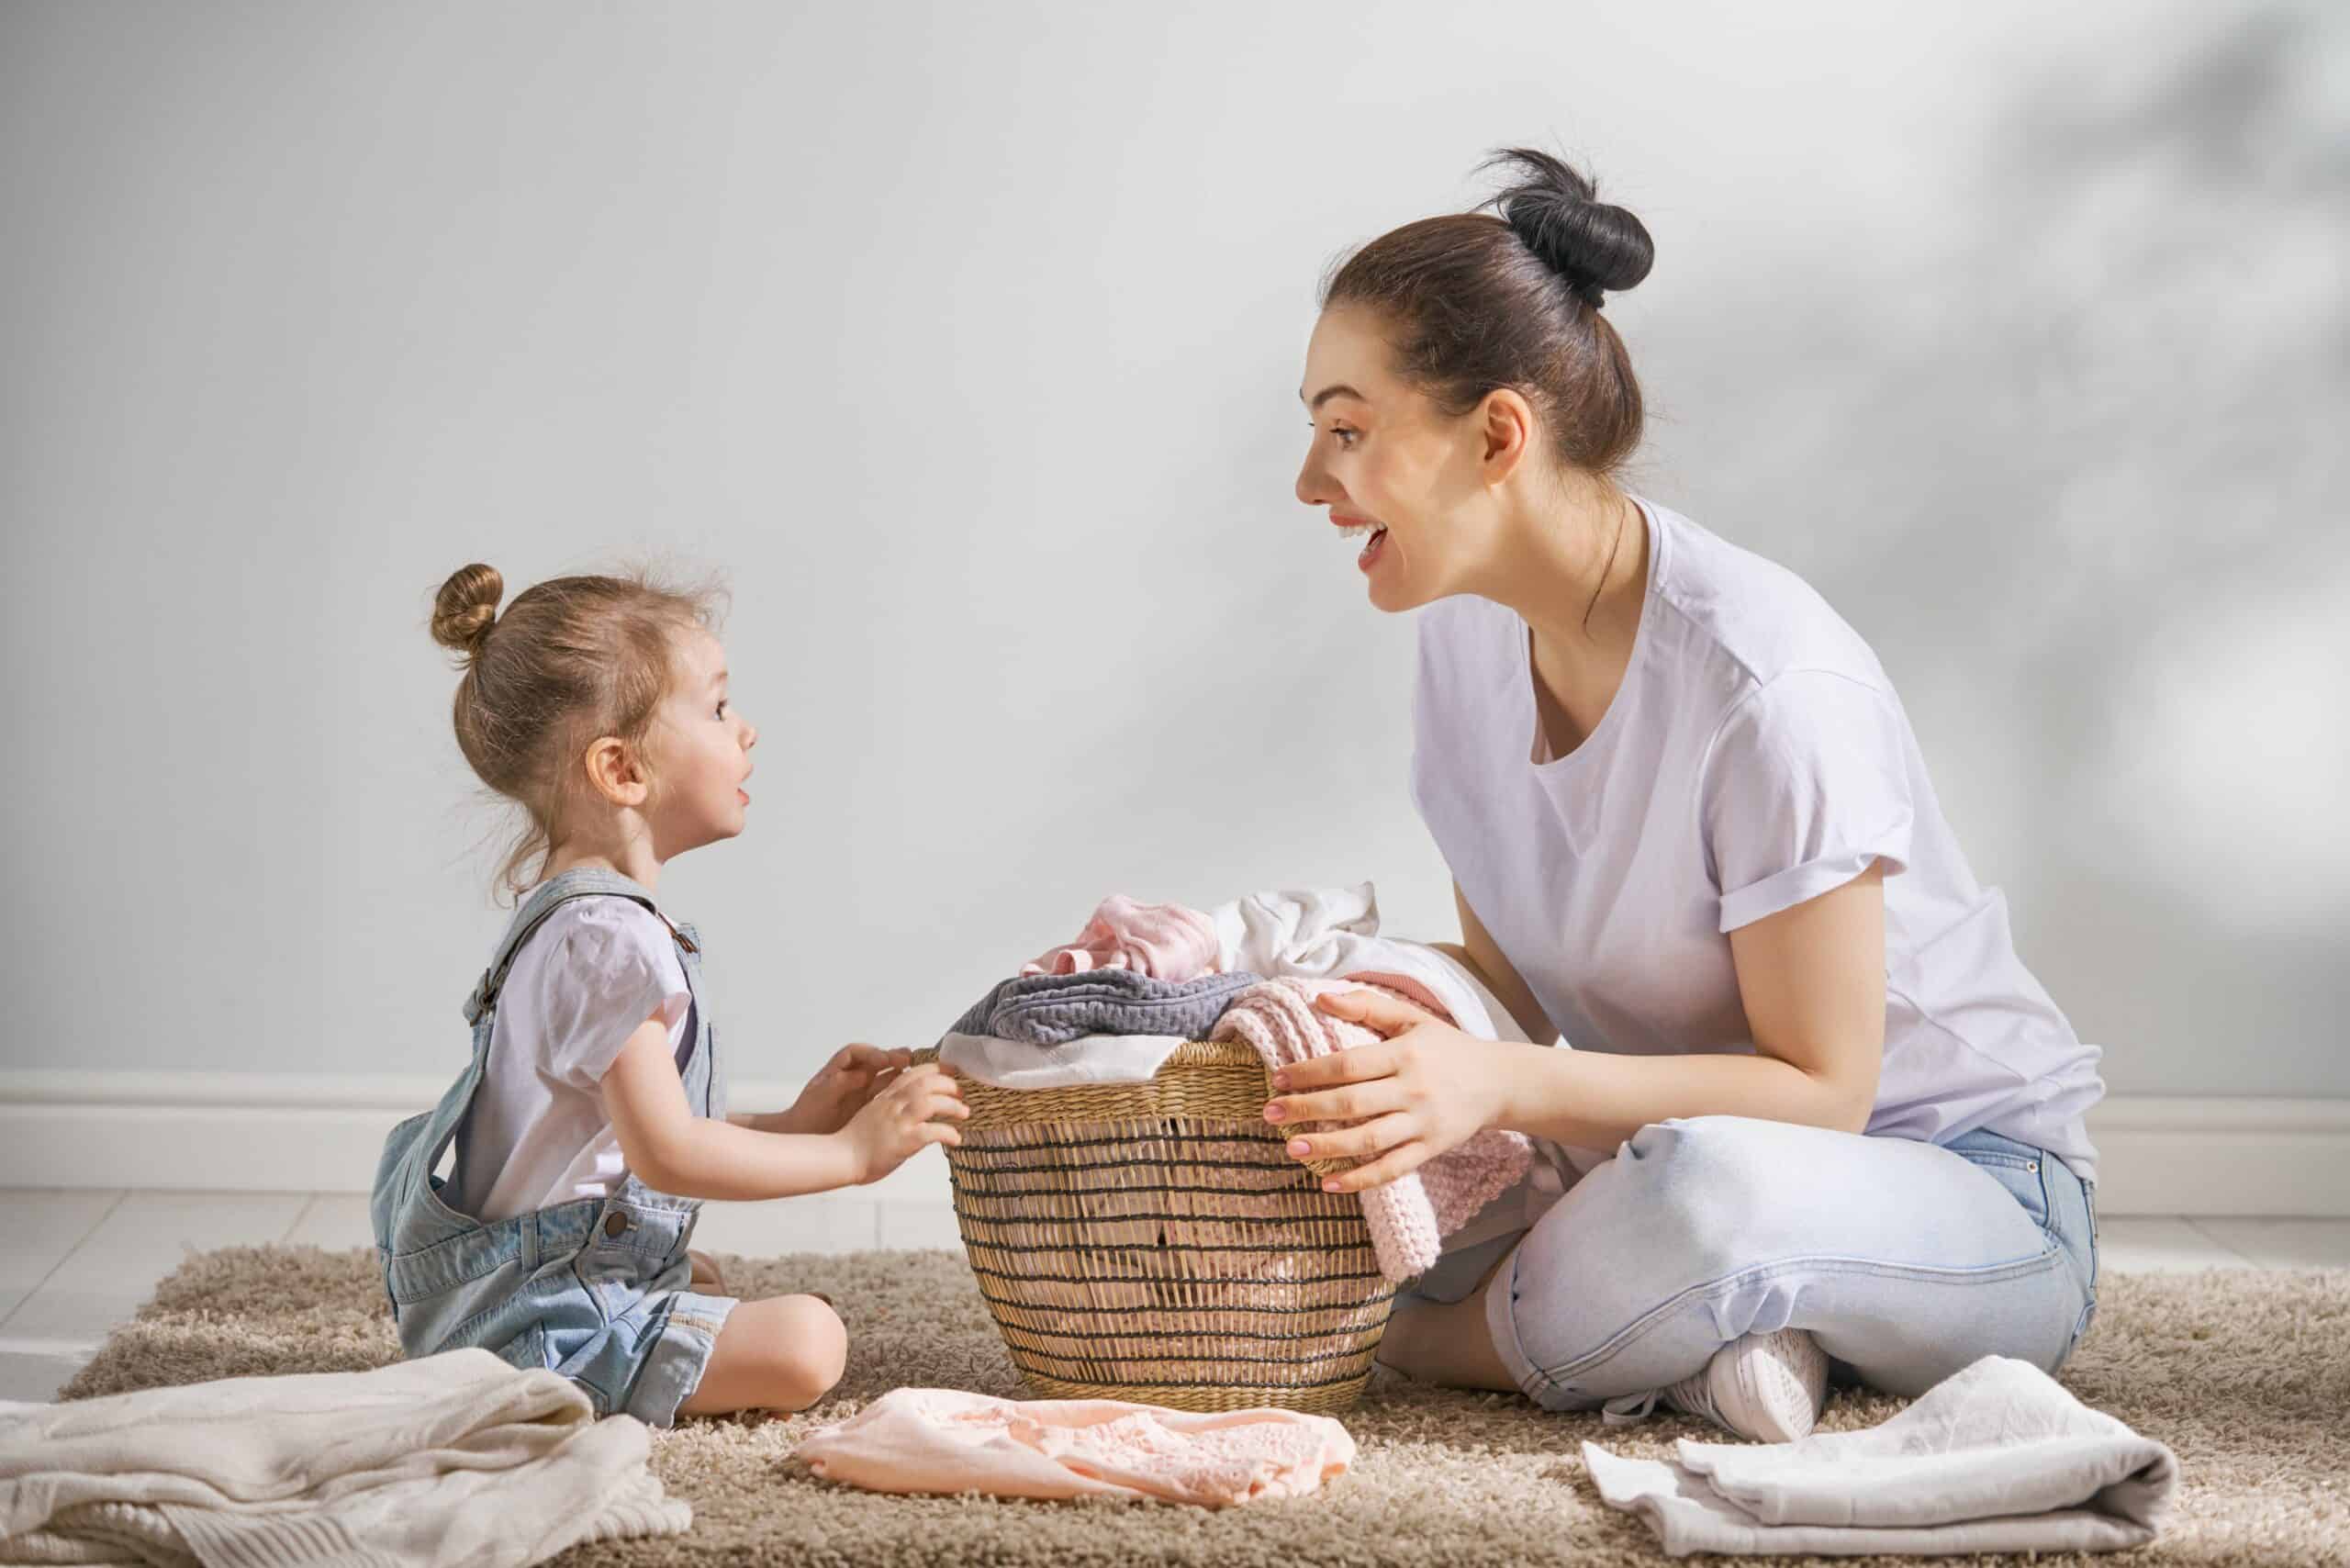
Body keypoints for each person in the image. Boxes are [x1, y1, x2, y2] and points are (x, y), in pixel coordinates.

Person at [1271, 149, 2103, 1442]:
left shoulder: (1768, 685)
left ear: (1497, 434)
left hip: (1967, 1188)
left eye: (1346, 429)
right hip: (1652, 1152)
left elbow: (1825, 1090)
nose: (1312, 484)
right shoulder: (1463, 636)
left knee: (1706, 1198)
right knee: (1337, 1171)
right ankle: (1719, 1341)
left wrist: (1487, 1088)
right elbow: (1520, 1003)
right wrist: (1321, 1024)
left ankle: (1427, 1342)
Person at [370, 563, 968, 1425]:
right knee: (810, 1342)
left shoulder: (586, 926)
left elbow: (630, 1136)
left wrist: (803, 1123)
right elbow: (669, 1154)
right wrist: (851, 1157)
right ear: (621, 769)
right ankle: (569, 1362)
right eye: (720, 708)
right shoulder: (604, 943)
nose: (747, 731)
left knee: (710, 1285)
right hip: (536, 1327)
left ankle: (628, 1305)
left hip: (520, 1294)